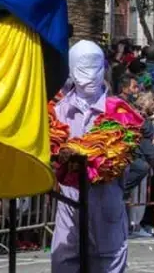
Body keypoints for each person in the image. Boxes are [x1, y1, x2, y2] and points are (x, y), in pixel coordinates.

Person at [51, 40, 127, 273]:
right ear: (71, 70)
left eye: (95, 67)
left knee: (109, 258)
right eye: (83, 68)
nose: (90, 76)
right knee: (65, 259)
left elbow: (123, 160)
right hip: (69, 198)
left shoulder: (120, 111)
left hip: (106, 196)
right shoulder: (58, 111)